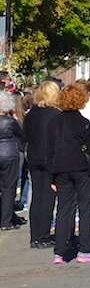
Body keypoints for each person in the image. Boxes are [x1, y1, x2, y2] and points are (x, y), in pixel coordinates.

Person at [46, 84, 90, 264]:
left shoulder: (54, 122)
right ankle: (84, 250)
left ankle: (59, 252)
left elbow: (49, 150)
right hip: (81, 168)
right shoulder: (83, 123)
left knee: (63, 209)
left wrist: (51, 176)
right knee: (85, 208)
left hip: (60, 169)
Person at [22, 82, 61, 246]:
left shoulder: (31, 114)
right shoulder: (56, 115)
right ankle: (44, 235)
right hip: (49, 158)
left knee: (36, 197)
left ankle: (35, 236)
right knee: (48, 198)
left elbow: (25, 135)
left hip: (33, 157)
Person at [0, 92, 25, 231]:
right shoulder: (11, 122)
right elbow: (23, 134)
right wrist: (16, 118)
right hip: (9, 154)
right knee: (9, 189)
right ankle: (6, 221)